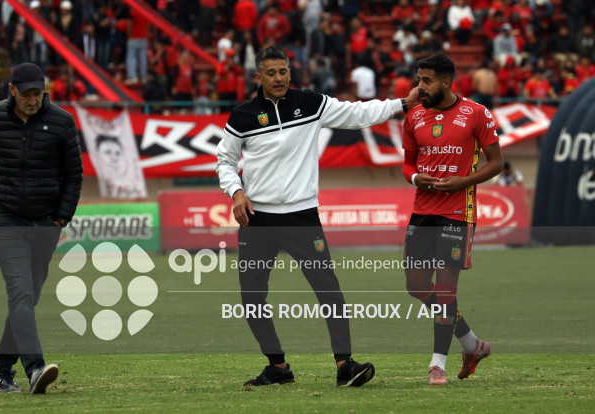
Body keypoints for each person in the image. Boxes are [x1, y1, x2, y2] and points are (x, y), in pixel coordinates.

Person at [216, 46, 420, 388]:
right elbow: (224, 161)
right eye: (271, 73)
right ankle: (278, 367)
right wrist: (236, 192)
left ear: (290, 73)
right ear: (258, 77)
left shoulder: (310, 103)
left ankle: (344, 365)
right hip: (258, 220)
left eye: (283, 72)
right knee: (251, 298)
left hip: (302, 216)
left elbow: (357, 114)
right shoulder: (242, 116)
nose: (279, 78)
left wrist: (403, 103)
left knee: (328, 290)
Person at [0, 62, 83, 394]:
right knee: (20, 292)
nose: (33, 100)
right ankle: (35, 368)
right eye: (27, 94)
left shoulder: (63, 122)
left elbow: (74, 176)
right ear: (12, 90)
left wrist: (60, 218)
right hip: (5, 218)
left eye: (39, 94)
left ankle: (2, 368)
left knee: (28, 297)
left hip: (46, 222)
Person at [401, 53, 503, 386]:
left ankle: (437, 365)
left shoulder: (477, 114)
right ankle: (473, 344)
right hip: (421, 211)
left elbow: (497, 163)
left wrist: (464, 181)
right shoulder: (414, 117)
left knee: (445, 292)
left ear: (447, 82)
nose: (420, 87)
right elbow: (407, 164)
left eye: (426, 80)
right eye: (418, 79)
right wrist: (417, 179)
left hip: (457, 213)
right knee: (416, 288)